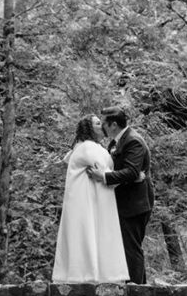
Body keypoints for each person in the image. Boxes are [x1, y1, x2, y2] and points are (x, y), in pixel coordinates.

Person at [52, 115, 129, 282]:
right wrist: (131, 176)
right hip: (89, 198)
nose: (102, 125)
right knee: (89, 233)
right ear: (89, 128)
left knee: (90, 233)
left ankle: (92, 273)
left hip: (91, 197)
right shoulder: (88, 148)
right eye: (97, 123)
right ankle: (92, 274)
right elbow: (104, 172)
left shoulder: (84, 147)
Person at [86, 106, 155, 284]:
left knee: (131, 248)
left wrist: (104, 177)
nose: (102, 128)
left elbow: (132, 171)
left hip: (135, 204)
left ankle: (136, 290)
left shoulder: (133, 141)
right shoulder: (118, 141)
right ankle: (139, 287)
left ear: (113, 125)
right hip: (126, 202)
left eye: (104, 124)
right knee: (129, 247)